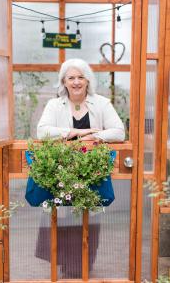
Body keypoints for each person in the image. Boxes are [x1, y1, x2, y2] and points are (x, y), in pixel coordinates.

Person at [35, 58, 125, 278]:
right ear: (64, 82)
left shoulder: (101, 103)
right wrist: (73, 132)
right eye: (71, 78)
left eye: (80, 77)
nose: (76, 82)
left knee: (88, 216)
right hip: (61, 173)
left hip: (91, 173)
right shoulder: (54, 105)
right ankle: (64, 263)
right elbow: (42, 132)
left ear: (87, 80)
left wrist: (95, 136)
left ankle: (84, 264)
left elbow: (119, 132)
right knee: (62, 215)